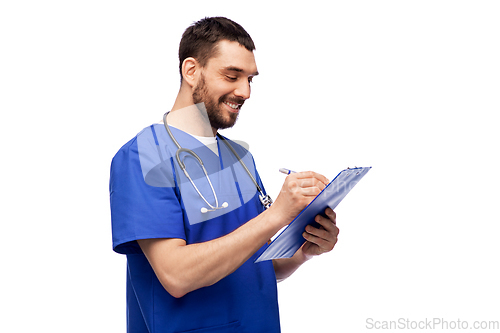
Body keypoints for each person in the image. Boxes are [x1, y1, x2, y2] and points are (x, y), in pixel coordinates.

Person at [110, 16, 340, 333]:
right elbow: (177, 276)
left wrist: (303, 252)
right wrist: (276, 215)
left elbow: (255, 264)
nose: (245, 92)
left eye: (250, 79)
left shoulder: (239, 157)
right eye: (232, 76)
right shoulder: (142, 157)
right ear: (191, 71)